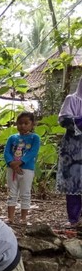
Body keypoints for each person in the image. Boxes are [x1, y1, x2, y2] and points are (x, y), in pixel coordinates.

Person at [4, 111, 40, 224]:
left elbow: (33, 152)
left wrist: (20, 162)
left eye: (26, 123)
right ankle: (10, 217)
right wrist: (11, 163)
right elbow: (6, 152)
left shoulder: (35, 138)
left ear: (32, 124)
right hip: (12, 169)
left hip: (26, 169)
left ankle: (23, 218)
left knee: (25, 193)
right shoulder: (12, 138)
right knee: (11, 192)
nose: (22, 126)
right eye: (20, 123)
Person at [56, 77, 82, 228]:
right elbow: (64, 119)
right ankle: (73, 218)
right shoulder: (72, 99)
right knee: (73, 184)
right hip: (73, 149)